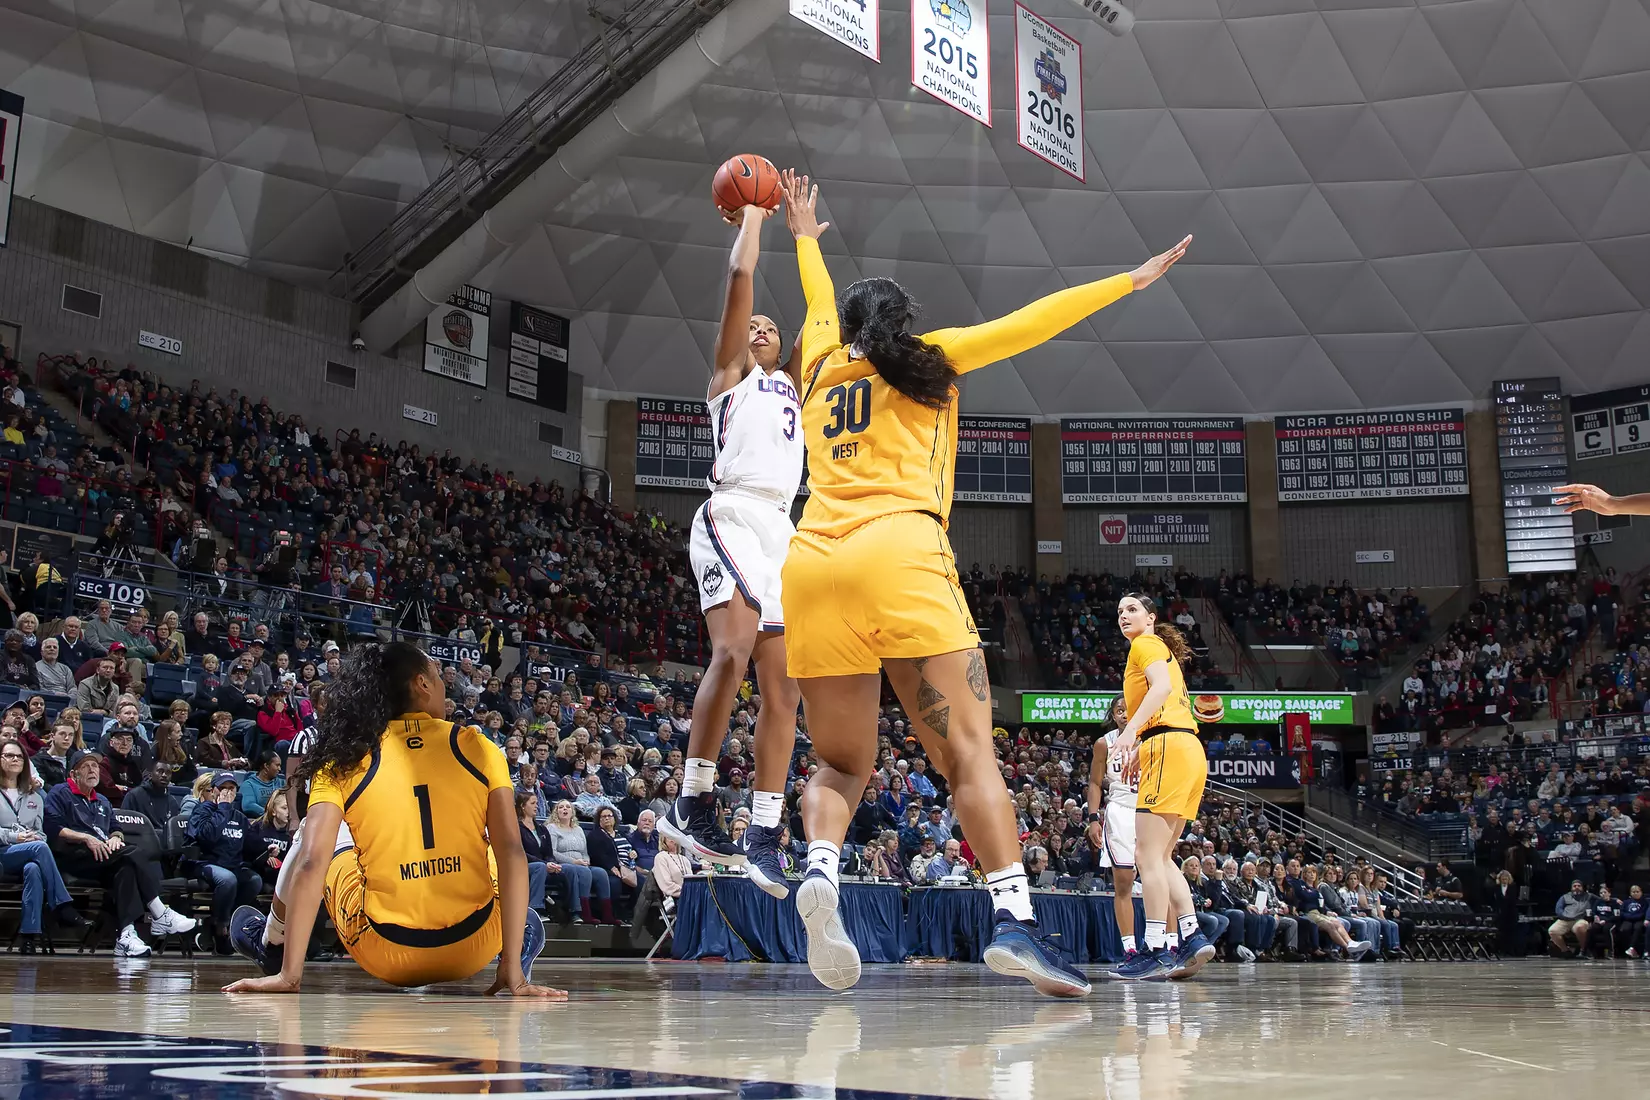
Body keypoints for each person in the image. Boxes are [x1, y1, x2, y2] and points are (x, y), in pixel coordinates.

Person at [778, 171, 1185, 998]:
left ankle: (820, 867)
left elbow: (816, 301)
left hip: (811, 562)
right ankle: (1014, 921)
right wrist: (1128, 280)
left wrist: (805, 238)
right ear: (900, 324)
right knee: (967, 754)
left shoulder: (816, 367)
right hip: (900, 553)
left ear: (847, 327)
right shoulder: (930, 361)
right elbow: (1031, 322)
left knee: (840, 761)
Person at [221, 641, 561, 997]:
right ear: (422, 684)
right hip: (476, 947)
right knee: (491, 847)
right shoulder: (479, 746)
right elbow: (512, 853)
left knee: (312, 834)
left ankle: (273, 943)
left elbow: (311, 863)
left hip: (387, 953)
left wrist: (291, 977)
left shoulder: (343, 757)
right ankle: (516, 946)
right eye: (436, 676)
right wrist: (512, 970)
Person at [659, 195, 803, 903]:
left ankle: (764, 834)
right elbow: (739, 281)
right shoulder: (729, 382)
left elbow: (822, 322)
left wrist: (806, 239)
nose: (763, 328)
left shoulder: (795, 386)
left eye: (772, 326)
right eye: (755, 326)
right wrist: (753, 217)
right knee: (732, 652)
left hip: (784, 527)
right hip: (734, 513)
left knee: (786, 688)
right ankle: (693, 799)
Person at [1107, 593, 1217, 981]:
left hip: (1168, 746)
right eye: (1120, 611)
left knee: (1146, 854)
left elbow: (1160, 690)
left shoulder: (1145, 643)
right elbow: (1167, 706)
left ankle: (1155, 948)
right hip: (1186, 748)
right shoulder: (1159, 649)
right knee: (1164, 855)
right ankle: (1191, 934)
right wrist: (1143, 746)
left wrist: (1129, 733)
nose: (1124, 615)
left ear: (1151, 618)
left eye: (1132, 609)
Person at [45, 749, 196, 957]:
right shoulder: (60, 792)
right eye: (85, 766)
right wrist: (86, 838)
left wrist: (116, 837)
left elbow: (116, 828)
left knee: (126, 870)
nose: (92, 770)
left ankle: (126, 935)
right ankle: (159, 912)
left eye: (95, 766)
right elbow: (53, 828)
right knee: (134, 853)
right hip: (73, 855)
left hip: (103, 858)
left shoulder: (102, 800)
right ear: (73, 774)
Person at [0, 735, 87, 952]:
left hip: (28, 853)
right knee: (38, 849)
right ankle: (62, 905)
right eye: (9, 755)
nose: (15, 760)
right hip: (3, 853)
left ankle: (29, 937)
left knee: (33, 869)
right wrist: (15, 837)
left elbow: (41, 833)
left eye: (19, 757)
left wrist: (36, 838)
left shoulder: (35, 796)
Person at [188, 772, 264, 955]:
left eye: (231, 788)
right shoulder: (202, 811)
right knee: (228, 879)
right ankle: (221, 926)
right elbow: (207, 837)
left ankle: (223, 920)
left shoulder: (239, 817)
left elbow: (250, 844)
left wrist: (267, 848)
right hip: (204, 863)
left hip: (232, 865)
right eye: (222, 788)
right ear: (213, 790)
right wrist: (223, 808)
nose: (227, 792)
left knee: (254, 881)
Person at [1088, 696, 1139, 958]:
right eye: (1119, 710)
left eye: (1129, 710)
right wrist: (1093, 818)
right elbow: (1095, 783)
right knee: (1123, 883)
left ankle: (1169, 944)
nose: (1124, 714)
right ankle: (1130, 950)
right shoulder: (1103, 744)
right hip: (1120, 811)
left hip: (1149, 809)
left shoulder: (1151, 739)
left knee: (1159, 880)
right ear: (1113, 714)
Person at [545, 798, 614, 924]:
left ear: (572, 812)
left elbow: (584, 852)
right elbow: (553, 852)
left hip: (581, 864)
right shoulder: (552, 828)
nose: (564, 809)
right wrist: (574, 862)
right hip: (562, 864)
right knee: (584, 872)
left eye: (568, 807)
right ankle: (584, 913)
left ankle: (607, 914)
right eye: (561, 807)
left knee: (601, 873)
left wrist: (586, 861)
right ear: (556, 812)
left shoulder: (578, 829)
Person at [517, 790, 561, 917]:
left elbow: (549, 853)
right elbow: (520, 853)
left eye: (537, 803)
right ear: (523, 806)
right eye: (533, 803)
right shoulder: (516, 827)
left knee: (573, 870)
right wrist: (545, 864)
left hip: (544, 865)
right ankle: (536, 910)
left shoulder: (541, 828)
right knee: (540, 867)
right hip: (522, 866)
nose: (536, 806)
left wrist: (552, 863)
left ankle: (575, 911)